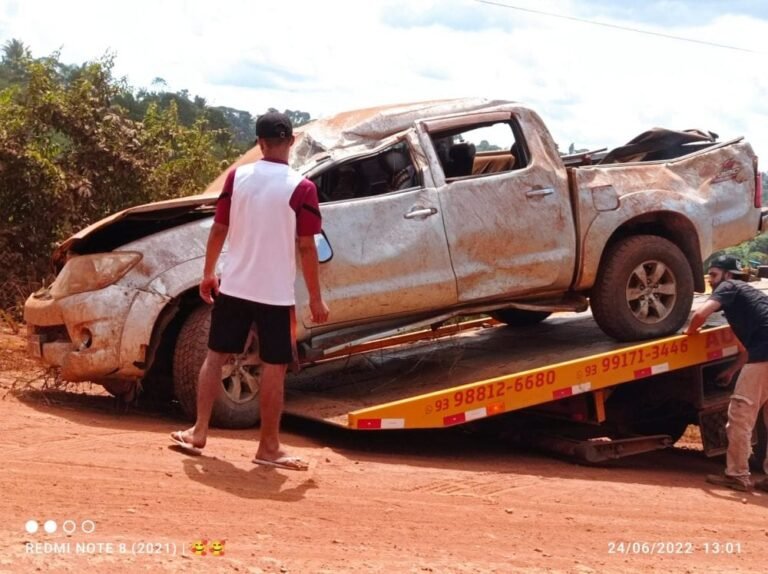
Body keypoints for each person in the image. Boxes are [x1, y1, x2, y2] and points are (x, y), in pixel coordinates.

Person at [170, 111, 330, 471]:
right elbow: (307, 246)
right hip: (275, 295)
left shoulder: (236, 178)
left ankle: (198, 432)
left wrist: (208, 273)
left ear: (259, 143)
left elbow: (218, 229)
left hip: (236, 286)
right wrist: (316, 298)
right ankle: (268, 448)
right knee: (274, 368)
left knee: (215, 357)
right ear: (291, 142)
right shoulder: (301, 188)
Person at [685, 255, 768, 492]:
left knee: (741, 415)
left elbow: (700, 315)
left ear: (728, 275)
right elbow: (744, 350)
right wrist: (732, 371)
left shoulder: (729, 287)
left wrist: (689, 333)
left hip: (764, 354)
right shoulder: (749, 300)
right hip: (762, 354)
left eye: (713, 274)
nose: (711, 281)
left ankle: (737, 476)